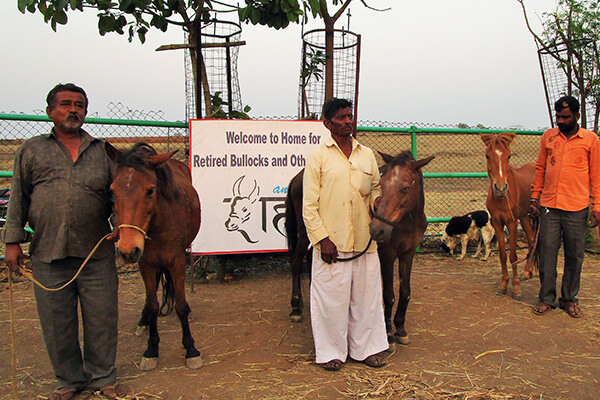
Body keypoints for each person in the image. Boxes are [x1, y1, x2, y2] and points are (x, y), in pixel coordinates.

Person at [2, 83, 127, 399]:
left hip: (95, 252)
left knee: (102, 318)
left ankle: (103, 379)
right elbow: (19, 197)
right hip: (47, 251)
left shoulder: (102, 151)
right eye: (66, 104)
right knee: (57, 323)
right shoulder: (31, 150)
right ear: (50, 111)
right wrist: (12, 241)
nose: (74, 110)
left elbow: (118, 199)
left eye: (80, 105)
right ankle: (69, 381)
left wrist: (119, 226)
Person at [302, 98, 388, 371]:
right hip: (332, 244)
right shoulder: (319, 156)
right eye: (340, 117)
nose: (347, 121)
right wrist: (322, 239)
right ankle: (330, 353)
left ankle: (367, 350)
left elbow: (375, 188)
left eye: (349, 116)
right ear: (327, 123)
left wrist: (377, 201)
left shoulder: (367, 154)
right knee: (331, 300)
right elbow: (309, 205)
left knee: (366, 299)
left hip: (364, 240)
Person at [530, 95, 600, 318]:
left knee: (574, 255)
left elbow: (597, 176)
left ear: (577, 116)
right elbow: (540, 168)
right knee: (548, 252)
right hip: (550, 205)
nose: (560, 120)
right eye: (558, 116)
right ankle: (546, 299)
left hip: (577, 206)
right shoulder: (549, 137)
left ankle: (569, 299)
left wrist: (597, 206)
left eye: (566, 117)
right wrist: (534, 197)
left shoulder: (590, 140)